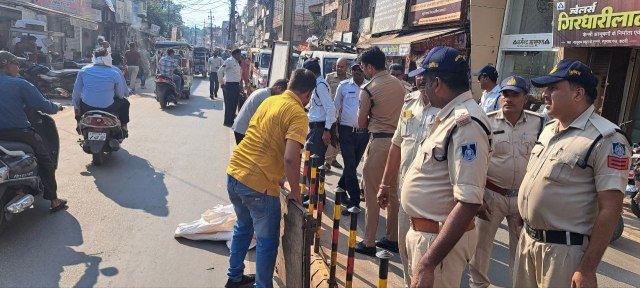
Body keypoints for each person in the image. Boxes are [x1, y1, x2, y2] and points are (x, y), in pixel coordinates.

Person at [513, 59, 629, 287]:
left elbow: (611, 208)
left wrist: (587, 268)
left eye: (553, 88)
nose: (545, 94)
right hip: (528, 242)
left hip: (564, 254)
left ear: (578, 94)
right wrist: (522, 216)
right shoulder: (548, 130)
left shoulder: (605, 138)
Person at [400, 46, 491, 288]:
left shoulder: (466, 123)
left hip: (436, 241)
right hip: (428, 235)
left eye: (425, 81)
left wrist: (428, 263)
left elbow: (469, 201)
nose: (423, 87)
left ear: (437, 83)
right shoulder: (450, 116)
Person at [225, 69, 316, 288]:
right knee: (267, 242)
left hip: (235, 172)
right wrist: (296, 193)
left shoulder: (270, 101)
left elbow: (263, 138)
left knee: (244, 226)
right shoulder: (298, 114)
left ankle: (234, 277)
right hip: (258, 185)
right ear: (308, 94)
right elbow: (291, 159)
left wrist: (279, 176)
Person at [468, 75, 543, 288]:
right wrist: (479, 195)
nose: (508, 99)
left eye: (514, 95)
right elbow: (477, 161)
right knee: (480, 248)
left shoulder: (539, 123)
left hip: (522, 198)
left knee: (522, 250)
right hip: (492, 195)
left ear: (525, 98)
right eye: (505, 94)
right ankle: (478, 285)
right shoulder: (487, 121)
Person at [376, 64, 441, 287]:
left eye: (426, 76)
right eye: (418, 76)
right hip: (405, 193)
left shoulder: (448, 110)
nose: (421, 80)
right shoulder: (410, 102)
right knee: (405, 248)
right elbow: (397, 144)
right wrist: (385, 184)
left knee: (428, 257)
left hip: (432, 200)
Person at [354, 46, 405, 256]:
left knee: (373, 191)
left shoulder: (368, 89)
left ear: (369, 67)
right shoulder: (401, 85)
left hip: (379, 143)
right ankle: (392, 238)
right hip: (398, 144)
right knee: (392, 192)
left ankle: (369, 241)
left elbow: (360, 122)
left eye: (364, 67)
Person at [0, 51, 66, 211]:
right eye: (16, 64)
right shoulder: (19, 84)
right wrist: (56, 107)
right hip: (18, 133)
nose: (18, 68)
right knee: (46, 161)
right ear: (8, 65)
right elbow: (43, 105)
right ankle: (54, 200)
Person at [333, 63, 369, 215]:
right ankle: (354, 200)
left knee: (352, 166)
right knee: (349, 163)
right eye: (353, 69)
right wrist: (333, 130)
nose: (356, 72)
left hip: (363, 132)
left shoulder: (370, 87)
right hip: (346, 131)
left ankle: (340, 189)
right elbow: (335, 109)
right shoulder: (343, 86)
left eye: (359, 69)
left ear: (364, 71)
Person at [72, 48, 130, 133]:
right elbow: (121, 95)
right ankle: (123, 127)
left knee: (77, 103)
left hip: (87, 107)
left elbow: (76, 93)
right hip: (108, 107)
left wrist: (76, 106)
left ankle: (78, 124)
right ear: (107, 58)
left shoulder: (83, 70)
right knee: (125, 102)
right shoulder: (115, 72)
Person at [232, 79, 288, 144]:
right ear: (278, 88)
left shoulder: (264, 91)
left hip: (241, 126)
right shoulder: (266, 97)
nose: (281, 97)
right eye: (282, 94)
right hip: (243, 129)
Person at [303, 58, 336, 163]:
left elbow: (331, 108)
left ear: (311, 73)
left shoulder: (321, 85)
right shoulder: (317, 84)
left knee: (314, 163)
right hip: (314, 128)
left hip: (319, 129)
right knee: (310, 161)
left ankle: (314, 180)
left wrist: (327, 131)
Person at [324, 57, 350, 171]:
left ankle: (333, 159)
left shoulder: (351, 78)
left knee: (340, 137)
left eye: (342, 66)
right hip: (332, 112)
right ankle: (328, 161)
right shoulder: (329, 77)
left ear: (346, 67)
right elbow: (325, 93)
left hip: (345, 113)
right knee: (332, 135)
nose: (339, 68)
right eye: (337, 66)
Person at [219, 49, 243, 127]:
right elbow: (220, 71)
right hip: (230, 85)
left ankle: (231, 121)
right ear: (235, 54)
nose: (240, 56)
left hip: (236, 86)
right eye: (239, 54)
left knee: (234, 104)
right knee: (230, 104)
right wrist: (222, 83)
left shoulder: (236, 62)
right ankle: (227, 122)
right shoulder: (229, 61)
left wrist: (240, 84)